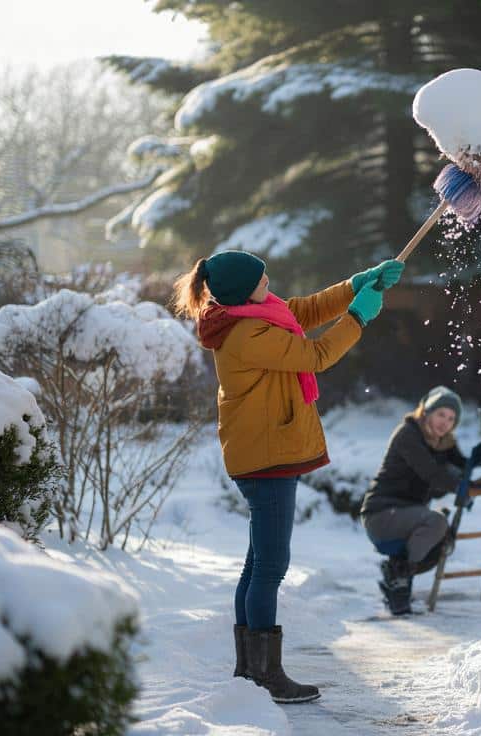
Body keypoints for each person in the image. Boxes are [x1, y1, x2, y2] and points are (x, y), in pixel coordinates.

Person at [172, 250, 403, 703]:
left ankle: (250, 671)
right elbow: (315, 355)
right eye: (262, 279)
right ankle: (265, 676)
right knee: (270, 566)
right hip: (267, 456)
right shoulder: (246, 333)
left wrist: (357, 282)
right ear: (244, 292)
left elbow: (306, 309)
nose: (270, 282)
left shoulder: (253, 313)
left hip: (264, 450)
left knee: (258, 564)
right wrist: (357, 318)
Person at [360, 386, 470, 615]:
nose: (445, 422)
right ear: (427, 412)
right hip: (382, 515)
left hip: (408, 514)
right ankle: (398, 576)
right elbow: (431, 473)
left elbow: (462, 466)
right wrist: (460, 487)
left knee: (442, 541)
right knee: (437, 523)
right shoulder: (408, 434)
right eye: (441, 414)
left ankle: (397, 582)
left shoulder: (443, 442)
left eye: (451, 418)